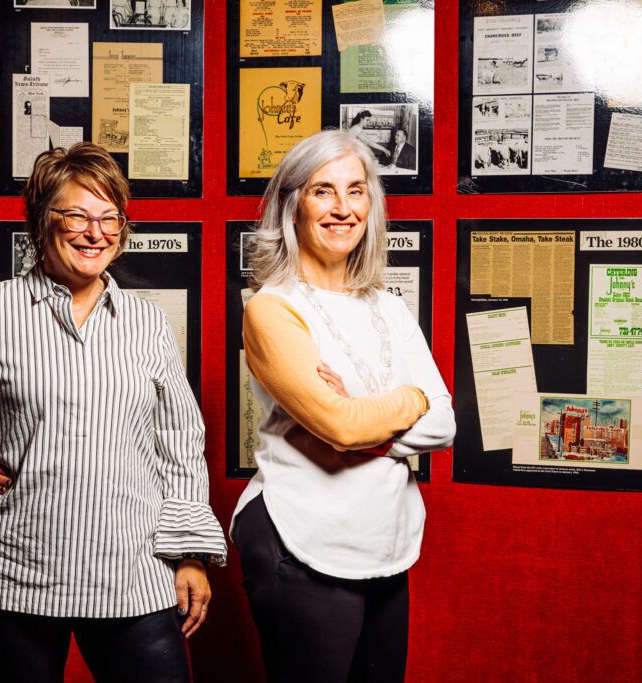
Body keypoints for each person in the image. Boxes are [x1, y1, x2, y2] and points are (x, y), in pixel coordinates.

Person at [0, 142, 226, 683]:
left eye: (109, 218)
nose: (95, 232)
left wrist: (190, 554)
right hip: (11, 568)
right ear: (40, 220)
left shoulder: (147, 323)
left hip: (132, 569)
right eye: (76, 214)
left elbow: (178, 439)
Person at [231, 129, 456, 682]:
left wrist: (365, 421)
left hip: (384, 536)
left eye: (356, 191)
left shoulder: (390, 307)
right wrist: (409, 399)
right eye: (322, 191)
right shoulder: (271, 308)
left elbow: (444, 423)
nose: (342, 208)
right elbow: (340, 424)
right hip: (300, 533)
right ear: (292, 204)